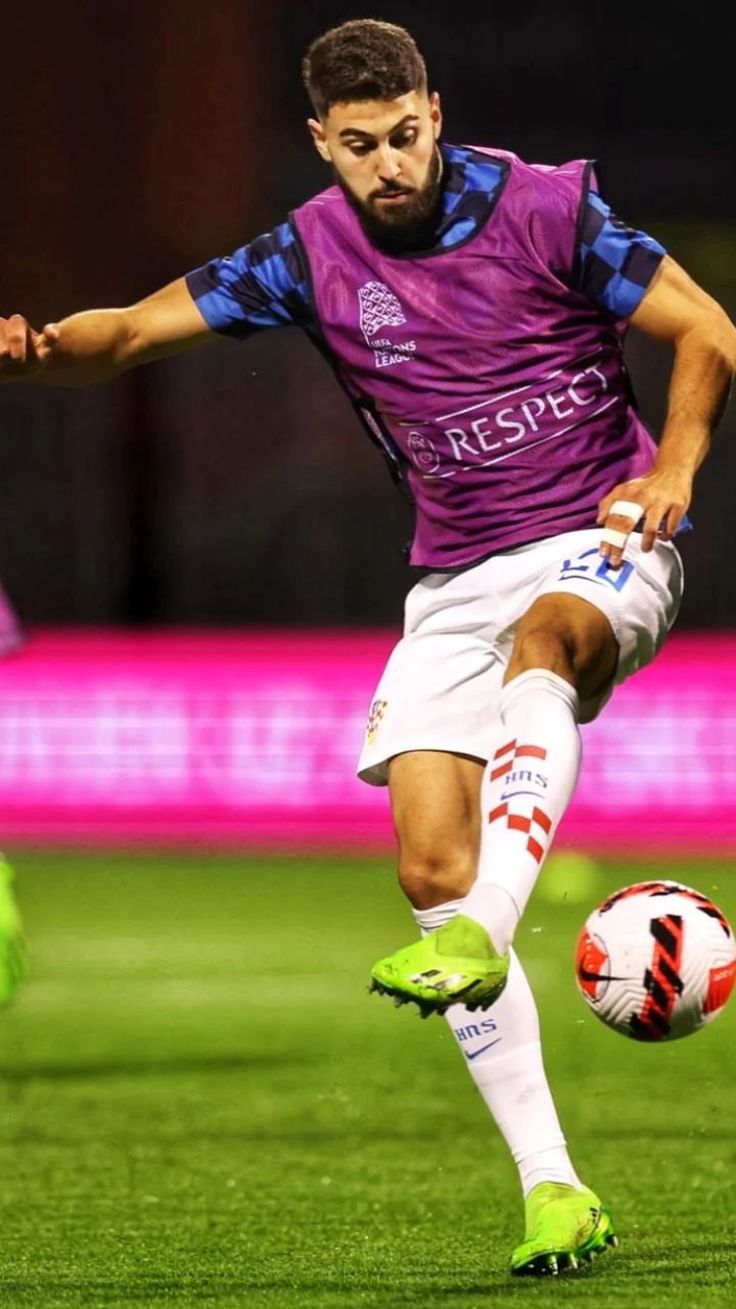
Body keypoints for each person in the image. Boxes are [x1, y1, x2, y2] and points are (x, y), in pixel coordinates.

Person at [1, 16, 734, 1278]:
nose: (389, 165)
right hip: (452, 578)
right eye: (360, 148)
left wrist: (671, 464)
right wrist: (40, 348)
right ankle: (556, 1190)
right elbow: (121, 336)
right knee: (428, 866)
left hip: (600, 531)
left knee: (547, 647)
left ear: (434, 112)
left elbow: (706, 328)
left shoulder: (547, 212)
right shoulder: (307, 255)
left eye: (405, 136)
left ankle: (490, 920)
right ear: (320, 145)